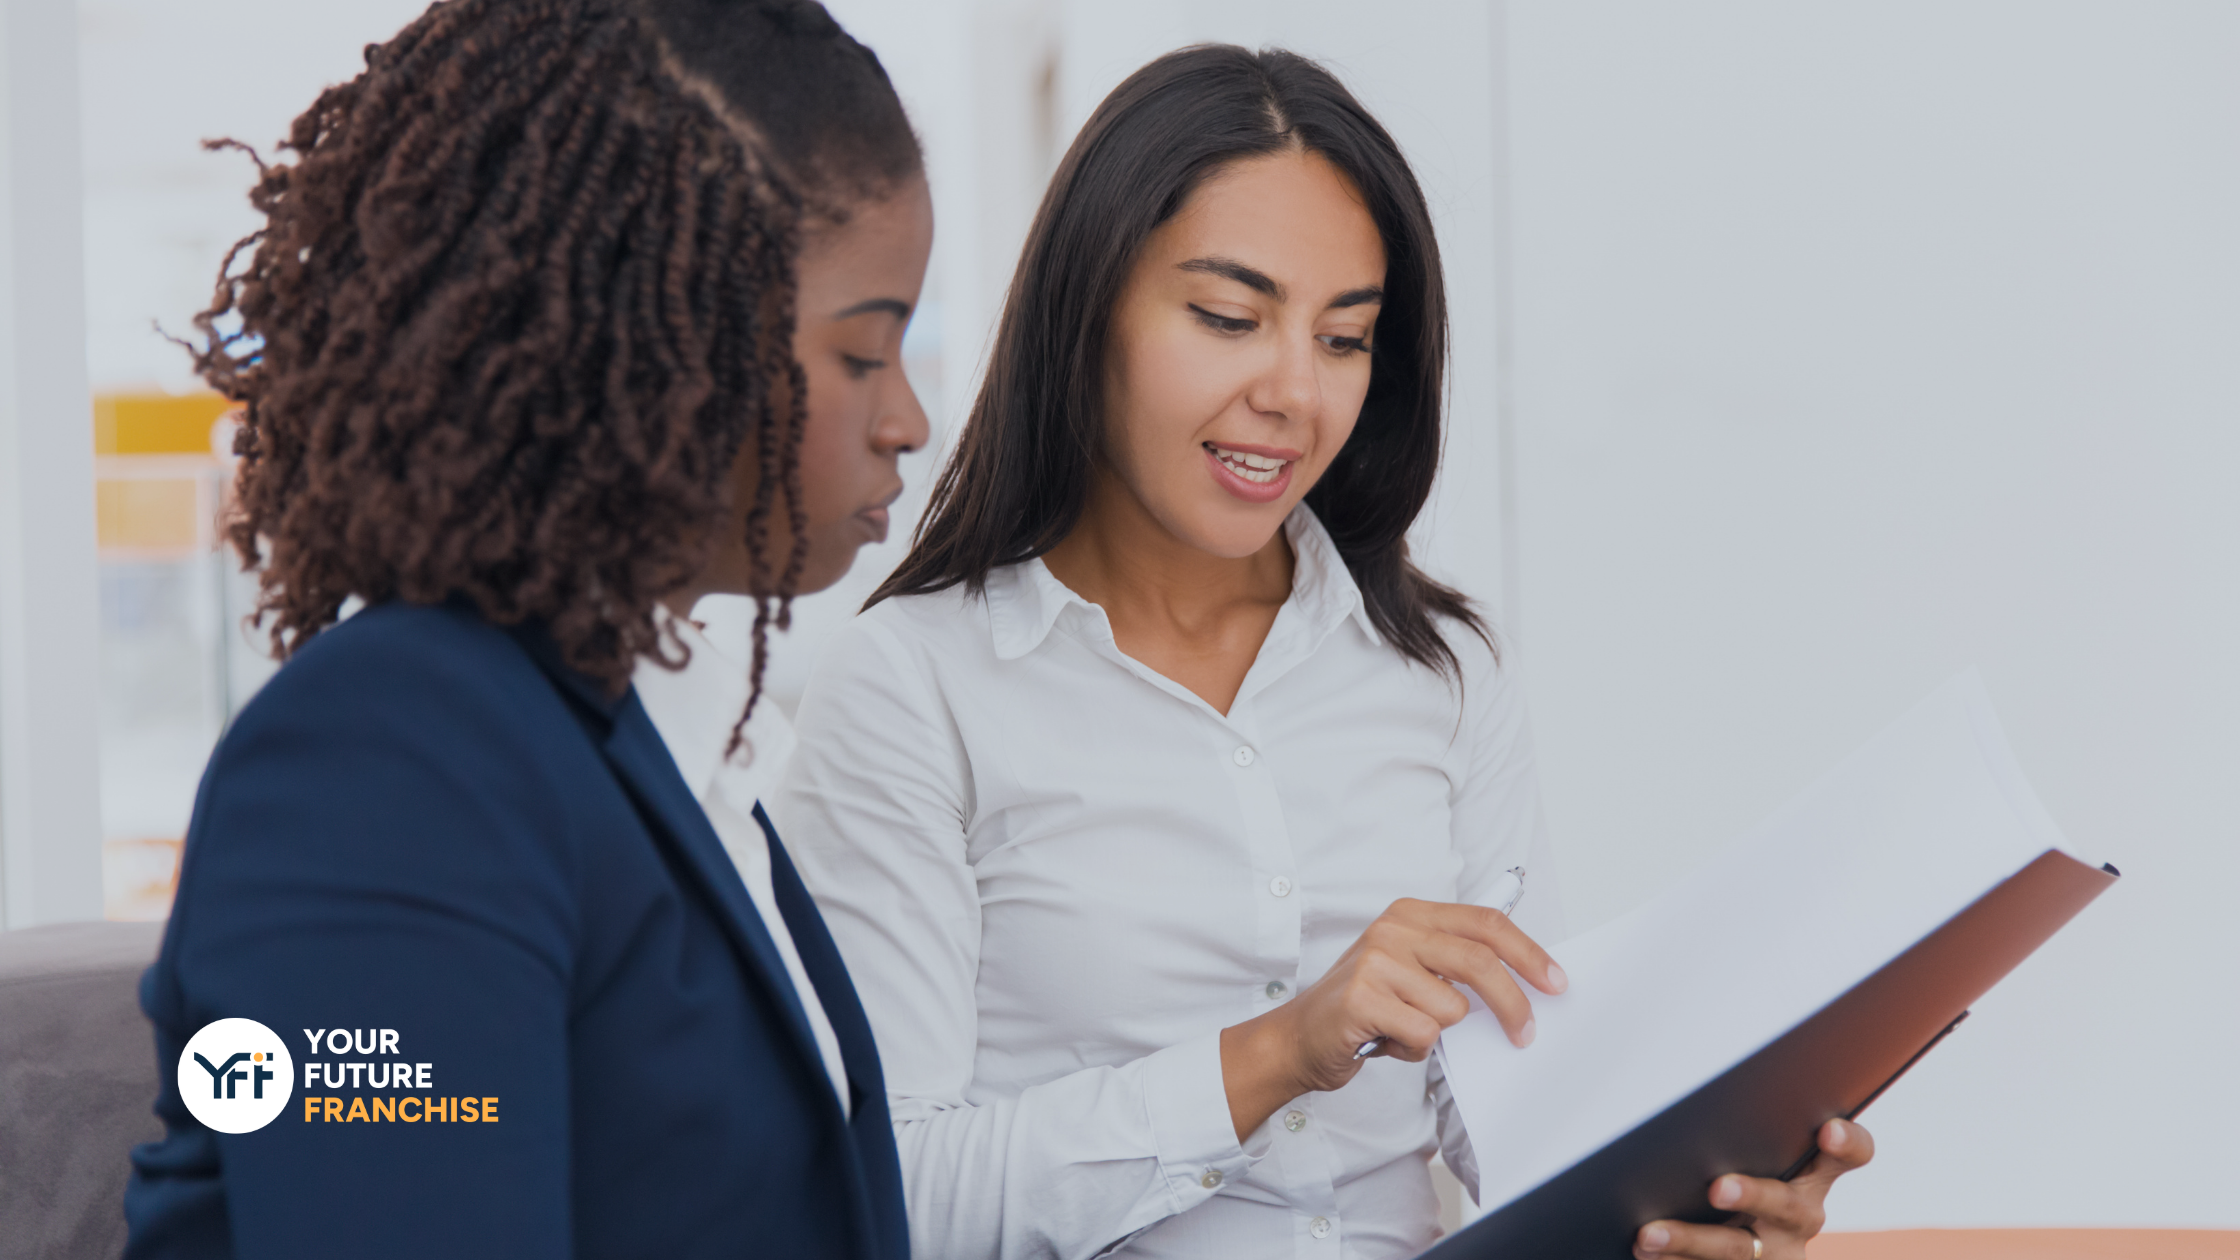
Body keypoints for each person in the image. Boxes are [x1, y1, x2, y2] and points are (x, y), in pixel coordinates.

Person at [772, 44, 1872, 1260]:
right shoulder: (914, 687)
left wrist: (1691, 1192)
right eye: (1229, 318)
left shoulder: (1437, 668)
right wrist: (1275, 1054)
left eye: (1344, 339)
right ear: (1086, 317)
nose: (1295, 393)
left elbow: (1517, 1122)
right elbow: (890, 1196)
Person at [122, 2, 930, 1257]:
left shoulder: (656, 745)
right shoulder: (392, 760)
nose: (909, 420)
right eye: (866, 352)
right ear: (662, 337)